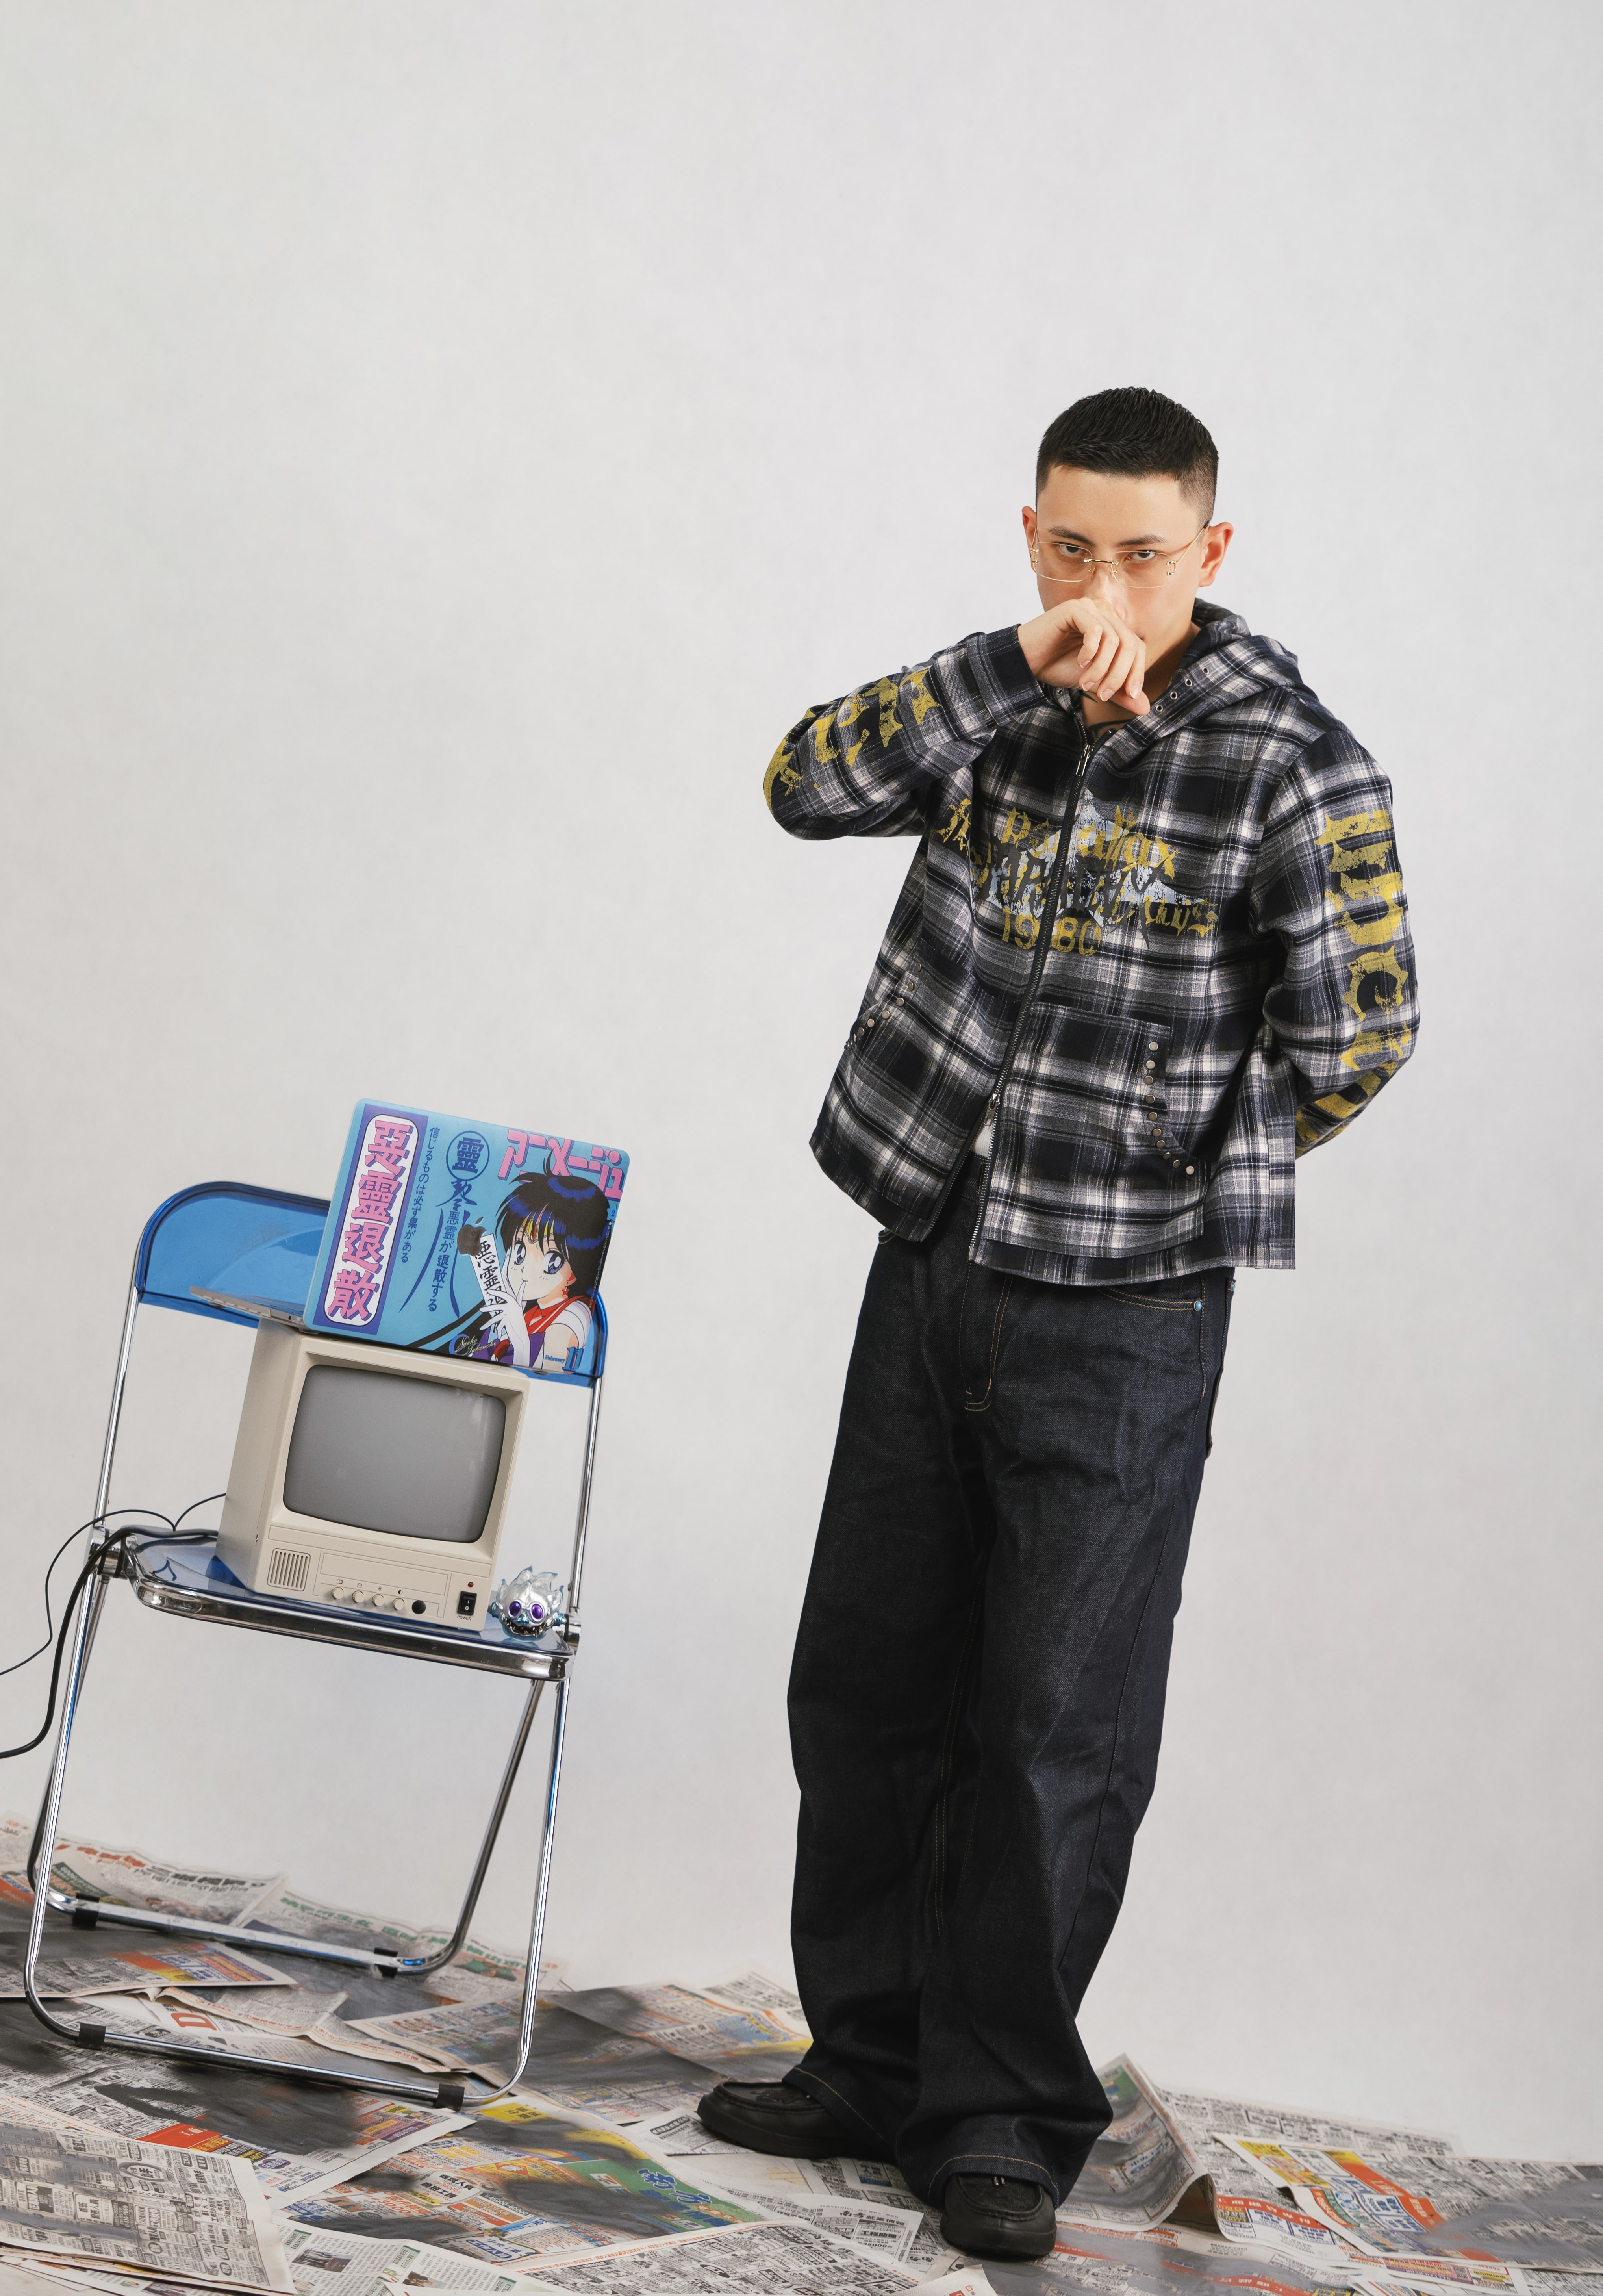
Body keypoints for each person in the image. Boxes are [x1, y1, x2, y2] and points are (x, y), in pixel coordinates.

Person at [698, 388, 1418, 2262]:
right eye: (1073, 549)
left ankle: (999, 2114)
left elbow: (1360, 1030)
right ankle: (866, 2058)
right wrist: (998, 665)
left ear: (1209, 550)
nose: (1107, 585)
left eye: (1144, 555)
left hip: (1124, 1309)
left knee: (1049, 1730)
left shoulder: (1289, 763)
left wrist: (1166, 1156)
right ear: (1032, 537)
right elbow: (798, 782)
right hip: (931, 1255)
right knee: (865, 1682)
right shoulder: (990, 701)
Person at [449, 1170, 609, 1374]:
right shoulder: (528, 1312)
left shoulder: (572, 1318)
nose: (525, 1269)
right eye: (520, 1251)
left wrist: (520, 1341)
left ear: (574, 1273)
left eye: (552, 1262)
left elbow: (541, 1372)